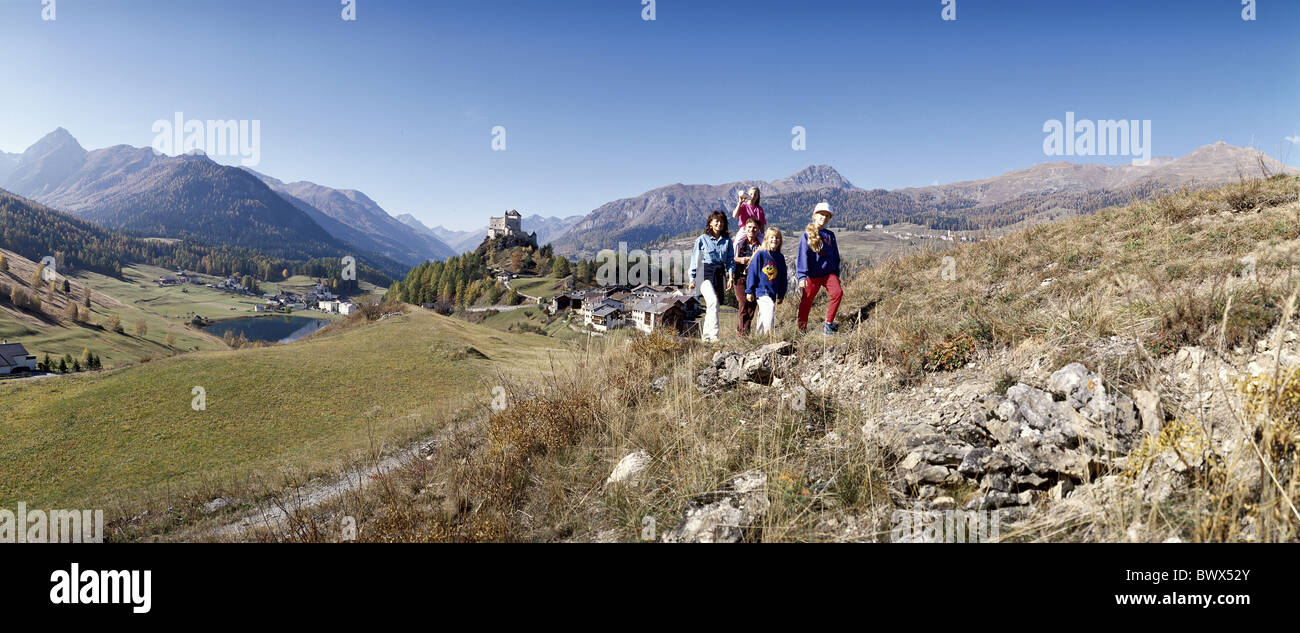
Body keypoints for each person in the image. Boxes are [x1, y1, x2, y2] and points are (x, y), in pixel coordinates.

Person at [795, 201, 842, 334]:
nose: (824, 217)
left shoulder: (830, 235)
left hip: (828, 273)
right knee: (806, 302)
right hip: (812, 275)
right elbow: (802, 256)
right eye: (821, 214)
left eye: (827, 216)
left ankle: (828, 324)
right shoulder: (806, 234)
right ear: (814, 216)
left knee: (837, 293)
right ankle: (801, 329)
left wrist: (836, 271)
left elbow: (835, 255)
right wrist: (802, 276)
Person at [688, 210, 734, 343]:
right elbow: (694, 258)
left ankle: (706, 337)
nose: (719, 223)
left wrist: (730, 277)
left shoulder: (727, 241)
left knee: (713, 306)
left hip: (719, 274)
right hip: (704, 272)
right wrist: (692, 279)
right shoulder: (702, 239)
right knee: (712, 301)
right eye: (716, 221)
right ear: (710, 223)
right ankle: (714, 336)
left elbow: (730, 261)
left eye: (722, 221)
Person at [746, 227, 788, 336]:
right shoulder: (760, 254)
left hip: (773, 292)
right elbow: (753, 272)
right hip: (761, 290)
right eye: (772, 237)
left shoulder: (780, 257)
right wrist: (749, 290)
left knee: (763, 315)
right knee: (769, 309)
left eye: (777, 238)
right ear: (766, 239)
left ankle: (759, 338)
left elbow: (783, 276)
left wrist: (782, 293)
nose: (775, 240)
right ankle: (769, 337)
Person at [731, 217, 762, 337]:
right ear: (745, 228)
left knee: (751, 307)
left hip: (754, 278)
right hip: (740, 276)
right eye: (749, 227)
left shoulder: (760, 244)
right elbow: (730, 259)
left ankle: (745, 331)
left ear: (758, 229)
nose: (752, 230)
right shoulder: (739, 243)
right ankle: (742, 334)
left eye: (754, 228)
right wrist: (740, 260)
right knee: (743, 303)